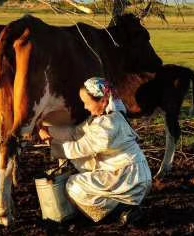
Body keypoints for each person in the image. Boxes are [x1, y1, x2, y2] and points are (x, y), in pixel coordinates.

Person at [38, 77, 152, 224]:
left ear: (103, 101)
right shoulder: (105, 118)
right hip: (129, 174)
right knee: (84, 180)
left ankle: (121, 212)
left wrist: (50, 141)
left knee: (74, 185)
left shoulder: (108, 125)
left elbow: (80, 147)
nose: (85, 107)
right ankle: (126, 207)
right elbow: (75, 133)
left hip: (128, 177)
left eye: (87, 103)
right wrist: (48, 130)